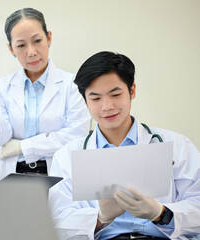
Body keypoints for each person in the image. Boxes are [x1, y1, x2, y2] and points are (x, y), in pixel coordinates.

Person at [48, 51, 200, 239]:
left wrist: (161, 213)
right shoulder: (66, 157)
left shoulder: (178, 145)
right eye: (96, 98)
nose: (107, 106)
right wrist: (100, 218)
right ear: (85, 101)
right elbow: (58, 221)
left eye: (115, 94)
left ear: (132, 90)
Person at [0, 8, 91, 180]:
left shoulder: (72, 85)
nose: (31, 52)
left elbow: (75, 136)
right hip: (13, 177)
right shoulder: (2, 87)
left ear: (49, 38)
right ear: (11, 49)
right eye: (21, 45)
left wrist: (23, 147)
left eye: (37, 41)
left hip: (58, 176)